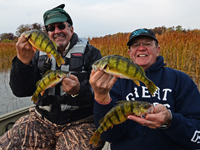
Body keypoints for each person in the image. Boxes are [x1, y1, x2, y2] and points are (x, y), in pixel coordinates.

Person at [0, 4, 105, 150]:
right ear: (47, 33)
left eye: (61, 26)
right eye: (51, 28)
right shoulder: (36, 54)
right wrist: (22, 62)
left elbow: (102, 93)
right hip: (41, 119)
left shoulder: (91, 53)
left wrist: (79, 89)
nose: (57, 31)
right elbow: (21, 91)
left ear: (71, 29)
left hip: (81, 121)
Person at [89, 28, 200, 150]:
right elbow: (110, 136)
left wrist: (170, 120)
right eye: (136, 45)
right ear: (129, 53)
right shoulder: (115, 83)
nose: (141, 48)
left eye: (147, 43)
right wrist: (100, 96)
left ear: (157, 50)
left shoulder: (181, 80)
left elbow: (197, 137)